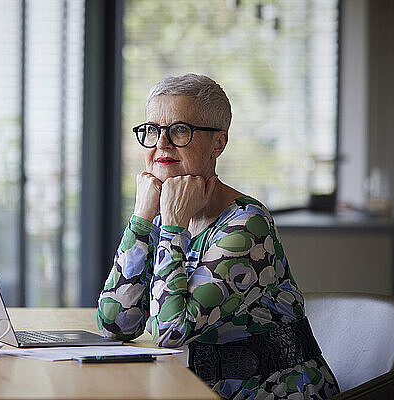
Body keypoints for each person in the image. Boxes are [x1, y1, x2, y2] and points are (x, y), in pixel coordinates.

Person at [96, 74, 340, 399]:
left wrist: (172, 224)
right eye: (152, 130)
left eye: (180, 130)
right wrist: (142, 218)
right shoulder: (161, 216)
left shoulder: (247, 224)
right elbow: (115, 324)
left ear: (218, 143)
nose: (161, 144)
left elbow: (170, 332)